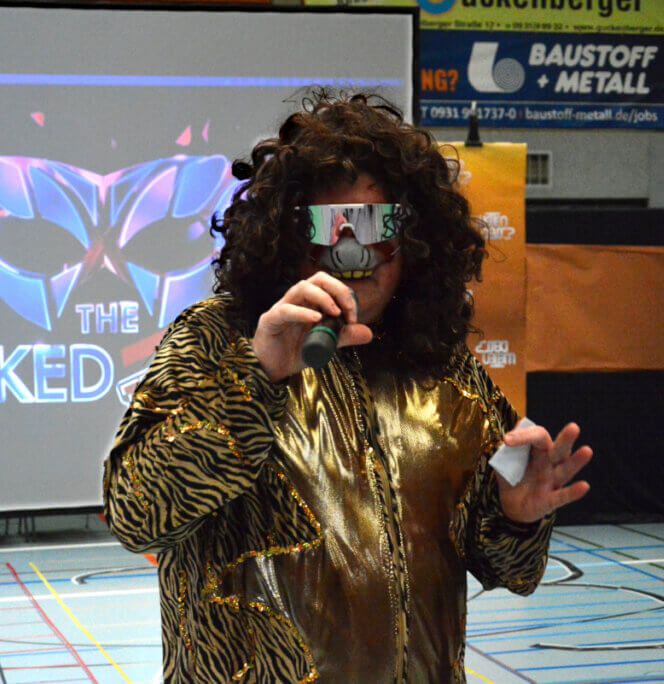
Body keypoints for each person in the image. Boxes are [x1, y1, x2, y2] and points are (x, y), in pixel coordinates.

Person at [102, 92, 592, 682]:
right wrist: (255, 377)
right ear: (288, 237)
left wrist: (517, 516)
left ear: (413, 239)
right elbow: (135, 514)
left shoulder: (444, 368)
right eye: (330, 226)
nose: (352, 250)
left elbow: (510, 570)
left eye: (375, 227)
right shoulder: (218, 339)